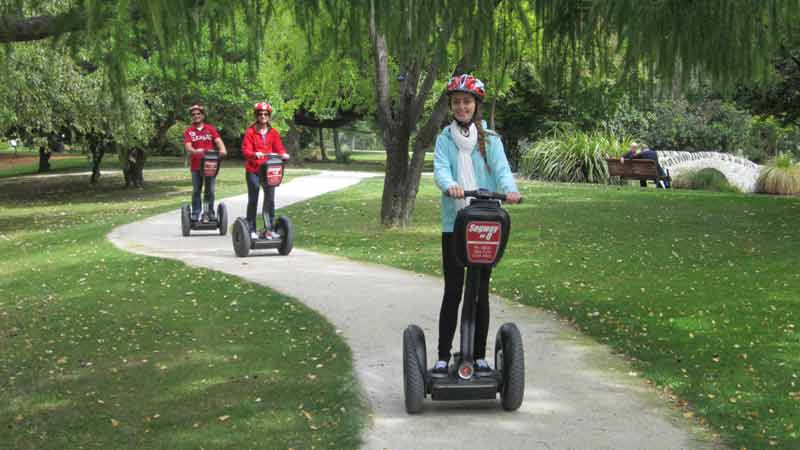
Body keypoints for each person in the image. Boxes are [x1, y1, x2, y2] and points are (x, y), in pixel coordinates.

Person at [432, 74, 521, 376]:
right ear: (451, 106)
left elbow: (502, 170)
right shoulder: (444, 139)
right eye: (456, 102)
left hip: (485, 222)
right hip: (454, 224)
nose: (461, 107)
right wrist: (451, 185)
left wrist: (510, 190)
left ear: (476, 105)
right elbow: (441, 169)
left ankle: (480, 355)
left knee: (481, 290)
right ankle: (443, 356)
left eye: (467, 101)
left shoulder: (491, 139)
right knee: (454, 290)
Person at [241, 102, 290, 240]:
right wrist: (253, 154)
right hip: (254, 170)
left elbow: (279, 148)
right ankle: (251, 229)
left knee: (270, 199)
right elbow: (245, 150)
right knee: (253, 198)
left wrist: (283, 154)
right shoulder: (250, 132)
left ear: (269, 116)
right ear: (256, 116)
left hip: (268, 171)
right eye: (260, 114)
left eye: (265, 114)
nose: (263, 116)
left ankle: (269, 229)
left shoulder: (273, 132)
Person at [183, 104, 227, 221]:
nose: (196, 116)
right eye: (193, 114)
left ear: (202, 115)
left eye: (198, 114)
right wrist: (195, 151)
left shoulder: (210, 129)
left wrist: (222, 150)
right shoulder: (189, 131)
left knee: (210, 190)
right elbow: (188, 147)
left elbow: (218, 141)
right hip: (196, 166)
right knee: (196, 190)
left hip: (210, 165)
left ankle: (208, 212)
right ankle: (196, 213)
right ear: (191, 117)